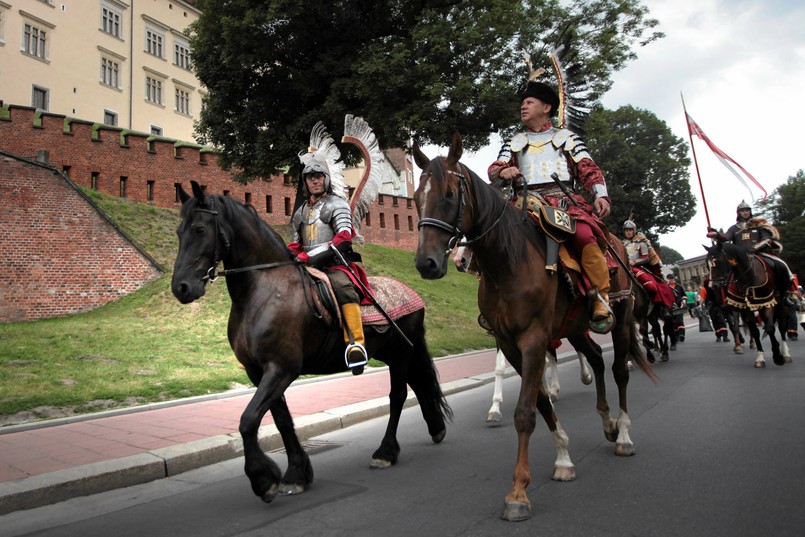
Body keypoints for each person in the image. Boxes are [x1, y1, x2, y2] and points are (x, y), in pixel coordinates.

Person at [488, 78, 614, 334]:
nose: (523, 107)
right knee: (493, 242)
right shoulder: (514, 142)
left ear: (546, 107)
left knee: (584, 235)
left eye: (529, 102)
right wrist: (504, 172)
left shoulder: (566, 138)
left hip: (563, 204)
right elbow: (494, 169)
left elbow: (588, 169)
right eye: (522, 103)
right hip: (524, 206)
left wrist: (600, 194)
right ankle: (494, 304)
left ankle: (601, 298)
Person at [288, 154, 370, 371]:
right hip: (306, 268)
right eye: (310, 177)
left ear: (326, 179)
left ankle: (356, 345)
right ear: (305, 182)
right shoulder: (300, 212)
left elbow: (343, 238)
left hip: (334, 265)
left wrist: (308, 256)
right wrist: (286, 257)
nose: (314, 180)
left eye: (318, 176)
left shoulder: (337, 204)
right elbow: (295, 244)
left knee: (344, 289)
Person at [707, 200, 797, 297]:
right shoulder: (733, 228)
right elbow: (726, 237)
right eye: (742, 211)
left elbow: (766, 239)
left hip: (759, 253)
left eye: (747, 210)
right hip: (740, 257)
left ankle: (785, 292)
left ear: (750, 212)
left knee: (781, 264)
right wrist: (716, 234)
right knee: (722, 272)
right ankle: (726, 299)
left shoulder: (759, 224)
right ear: (738, 213)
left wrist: (755, 248)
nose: (745, 212)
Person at [621, 220, 675, 309]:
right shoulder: (621, 244)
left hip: (638, 268)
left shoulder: (641, 243)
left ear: (634, 230)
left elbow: (645, 258)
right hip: (624, 268)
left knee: (650, 286)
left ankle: (658, 305)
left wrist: (634, 262)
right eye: (626, 230)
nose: (628, 232)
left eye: (630, 230)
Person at [665, 274, 687, 345]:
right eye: (670, 278)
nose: (672, 280)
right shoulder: (666, 287)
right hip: (670, 307)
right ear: (667, 279)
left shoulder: (679, 286)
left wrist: (683, 300)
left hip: (679, 306)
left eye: (672, 278)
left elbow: (684, 295)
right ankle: (676, 335)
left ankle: (682, 335)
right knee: (673, 322)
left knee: (680, 320)